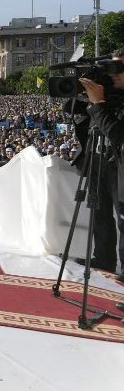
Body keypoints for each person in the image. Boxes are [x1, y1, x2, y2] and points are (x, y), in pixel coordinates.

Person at [79, 49, 124, 281]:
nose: (114, 74)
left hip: (120, 166)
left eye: (119, 69)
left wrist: (99, 105)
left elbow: (119, 135)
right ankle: (103, 258)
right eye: (112, 68)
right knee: (99, 211)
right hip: (100, 160)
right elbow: (79, 114)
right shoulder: (109, 93)